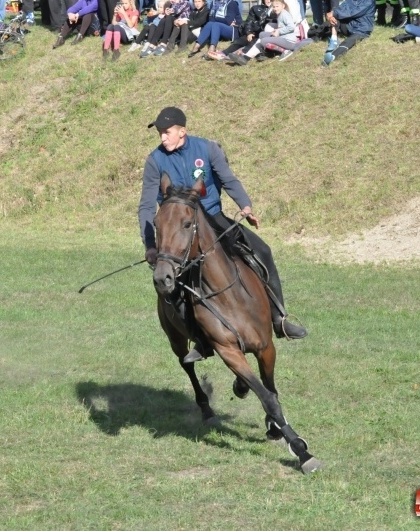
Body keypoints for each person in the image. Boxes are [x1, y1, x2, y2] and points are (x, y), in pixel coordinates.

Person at [138, 107, 308, 363]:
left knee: (262, 251)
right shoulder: (155, 161)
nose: (163, 138)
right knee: (175, 287)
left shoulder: (207, 149)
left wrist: (245, 205)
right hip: (178, 232)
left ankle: (279, 320)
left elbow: (228, 179)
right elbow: (146, 206)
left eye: (167, 132)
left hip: (213, 219)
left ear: (182, 131)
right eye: (161, 133)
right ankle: (201, 340)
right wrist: (151, 245)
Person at [229, 0, 302, 63]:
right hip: (283, 37)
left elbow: (291, 27)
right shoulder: (280, 13)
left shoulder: (285, 14)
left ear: (283, 6)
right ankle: (246, 56)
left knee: (263, 41)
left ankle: (285, 51)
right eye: (274, 7)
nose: (275, 9)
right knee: (261, 34)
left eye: (277, 6)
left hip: (288, 41)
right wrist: (276, 30)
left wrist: (279, 31)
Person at [321, 0, 375, 66]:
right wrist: (332, 14)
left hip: (361, 29)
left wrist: (334, 13)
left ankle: (333, 56)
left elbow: (353, 12)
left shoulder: (369, 1)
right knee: (332, 19)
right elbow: (341, 7)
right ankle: (334, 40)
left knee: (350, 41)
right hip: (349, 25)